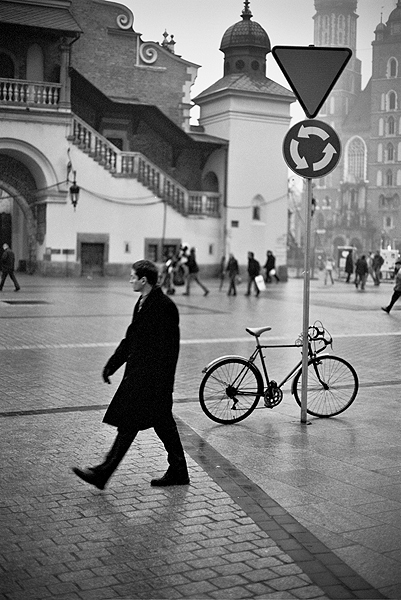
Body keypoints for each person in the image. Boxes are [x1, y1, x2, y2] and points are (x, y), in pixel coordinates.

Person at [72, 260, 189, 490]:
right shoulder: (143, 302)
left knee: (131, 425)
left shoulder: (164, 306)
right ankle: (178, 471)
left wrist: (164, 384)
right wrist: (112, 365)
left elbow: (170, 351)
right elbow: (131, 339)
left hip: (153, 382)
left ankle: (103, 473)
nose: (130, 280)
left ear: (144, 280)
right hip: (141, 378)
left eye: (133, 277)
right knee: (159, 425)